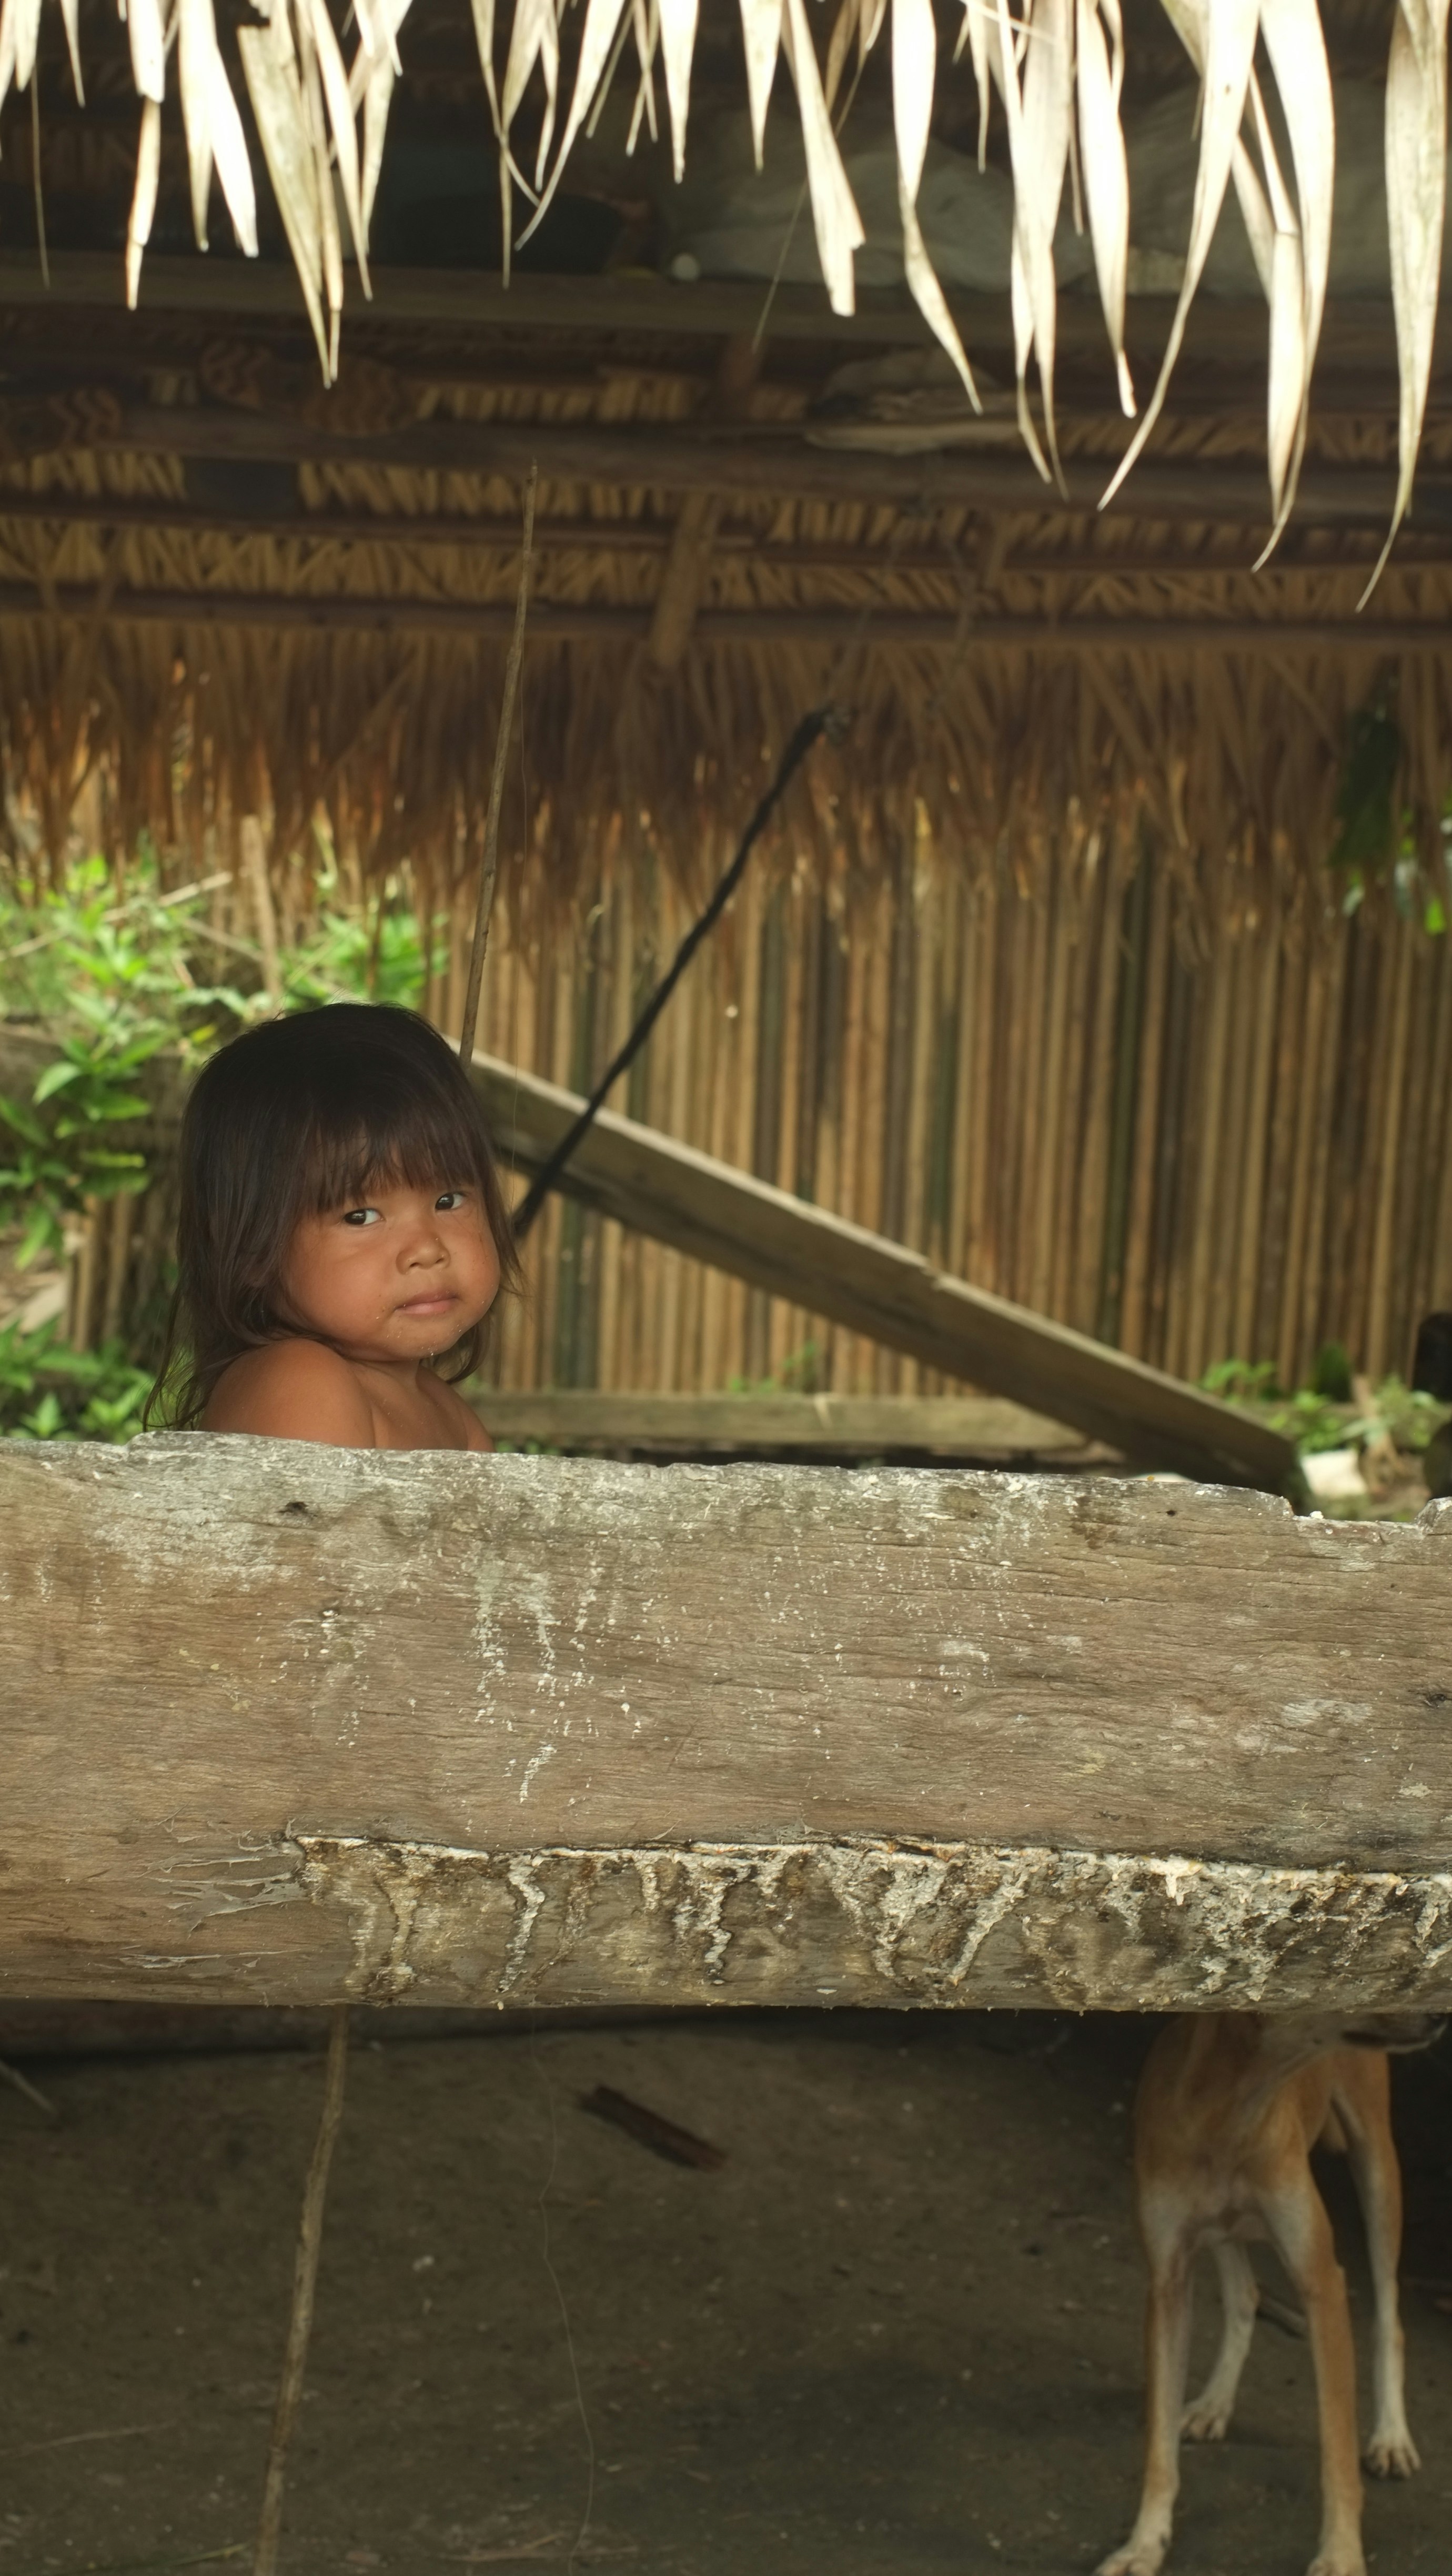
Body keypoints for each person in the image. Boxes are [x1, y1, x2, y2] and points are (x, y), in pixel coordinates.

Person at [147, 1003, 520, 1449]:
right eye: (360, 1217)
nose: (427, 1249)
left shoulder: (452, 1415)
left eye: (448, 1200)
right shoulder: (301, 1383)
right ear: (252, 1251)